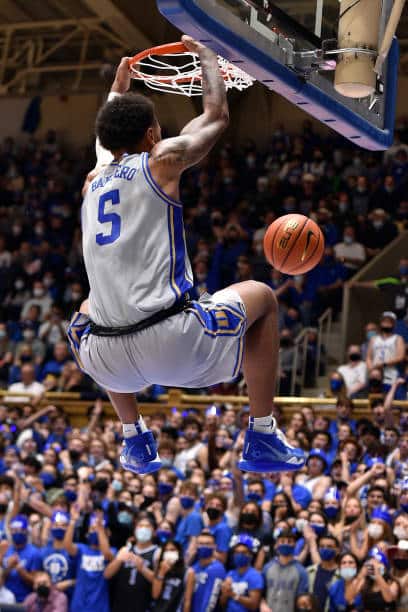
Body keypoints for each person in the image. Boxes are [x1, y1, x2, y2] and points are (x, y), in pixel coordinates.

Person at [67, 37, 305, 475]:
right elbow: (216, 114)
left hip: (107, 362)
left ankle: (134, 436)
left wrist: (118, 92)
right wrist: (210, 54)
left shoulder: (91, 180)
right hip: (173, 341)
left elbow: (107, 147)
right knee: (264, 299)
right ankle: (262, 433)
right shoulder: (163, 159)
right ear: (153, 134)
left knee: (84, 311)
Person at [104, 516, 156, 612]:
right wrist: (119, 559)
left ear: (154, 532)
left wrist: (143, 569)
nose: (143, 529)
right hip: (120, 604)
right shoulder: (126, 549)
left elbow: (159, 581)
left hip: (143, 605)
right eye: (140, 526)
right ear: (135, 530)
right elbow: (107, 574)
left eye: (147, 526)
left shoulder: (157, 552)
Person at [262, 528, 308, 612]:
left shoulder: (301, 571)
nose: (286, 544)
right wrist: (263, 605)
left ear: (294, 544)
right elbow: (261, 594)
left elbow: (301, 600)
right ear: (276, 545)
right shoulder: (267, 568)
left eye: (289, 541)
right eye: (282, 541)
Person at [184, 530, 226, 612]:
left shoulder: (217, 569)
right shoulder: (194, 567)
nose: (204, 547)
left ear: (214, 546)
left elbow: (211, 601)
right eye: (201, 544)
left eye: (207, 544)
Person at [220, 535, 263, 611]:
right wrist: (225, 593)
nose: (239, 555)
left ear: (250, 555)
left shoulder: (254, 576)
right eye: (237, 552)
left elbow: (254, 605)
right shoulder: (230, 574)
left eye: (243, 552)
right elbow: (222, 604)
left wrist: (233, 594)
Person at [366, 312, 405, 391]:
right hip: (375, 375)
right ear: (380, 323)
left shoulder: (398, 338)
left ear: (393, 324)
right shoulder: (374, 339)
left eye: (389, 322)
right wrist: (371, 368)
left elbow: (401, 357)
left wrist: (383, 364)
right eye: (384, 321)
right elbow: (368, 357)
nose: (386, 323)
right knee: (374, 399)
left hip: (391, 375)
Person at [152, 540, 186, 612]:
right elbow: (155, 595)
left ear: (179, 552)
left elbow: (187, 601)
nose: (169, 553)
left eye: (172, 550)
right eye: (166, 550)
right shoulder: (158, 570)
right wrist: (161, 573)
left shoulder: (187, 572)